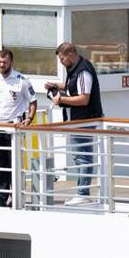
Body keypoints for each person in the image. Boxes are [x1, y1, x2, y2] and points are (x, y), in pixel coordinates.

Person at [46, 42, 104, 205]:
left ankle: (83, 193)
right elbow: (73, 87)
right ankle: (82, 192)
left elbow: (84, 98)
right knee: (79, 156)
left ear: (70, 55)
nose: (61, 62)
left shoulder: (84, 70)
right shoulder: (74, 68)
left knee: (83, 157)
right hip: (76, 120)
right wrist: (56, 85)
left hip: (84, 120)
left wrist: (61, 99)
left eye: (62, 59)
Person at [0, 49, 37, 207]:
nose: (1, 65)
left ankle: (17, 196)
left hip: (14, 128)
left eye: (4, 62)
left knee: (14, 164)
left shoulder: (22, 80)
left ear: (11, 62)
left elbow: (33, 101)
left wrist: (29, 119)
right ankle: (1, 198)